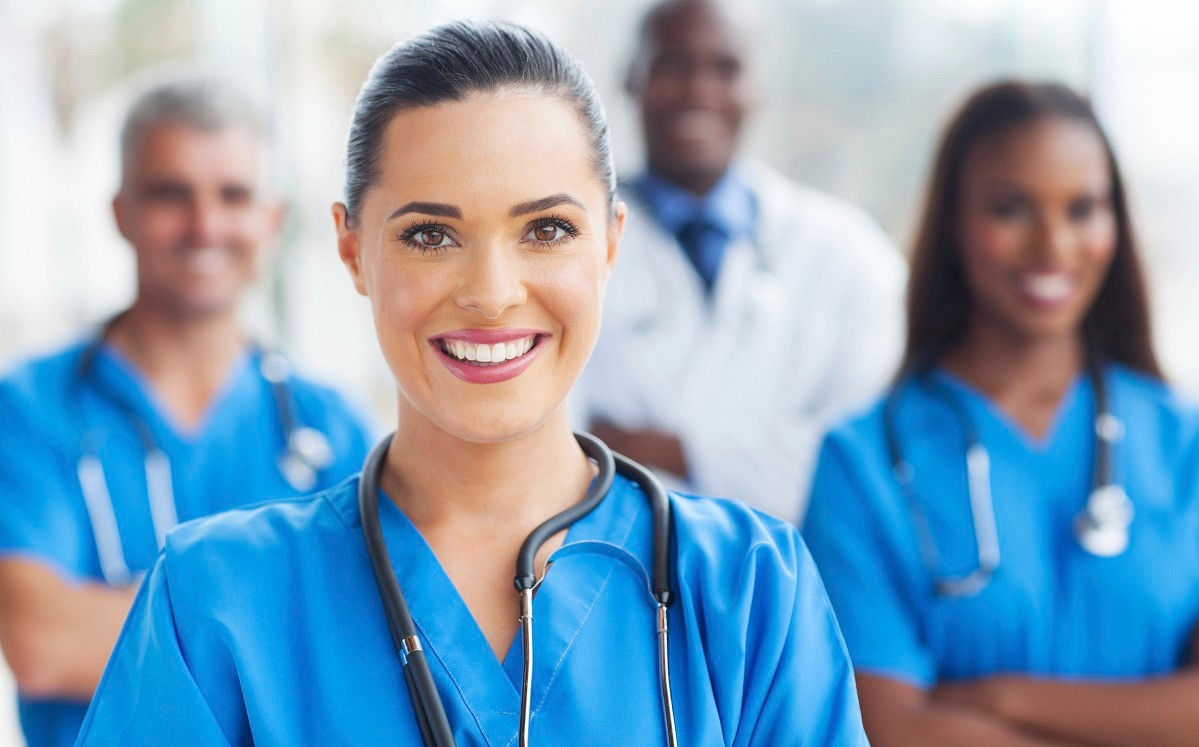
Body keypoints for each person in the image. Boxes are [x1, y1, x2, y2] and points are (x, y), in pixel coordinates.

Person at [75, 21, 867, 745]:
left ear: (611, 242)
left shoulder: (751, 591)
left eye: (547, 229)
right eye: (430, 234)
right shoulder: (214, 601)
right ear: (351, 250)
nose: (491, 292)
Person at [803, 80, 1199, 746]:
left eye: (1082, 209)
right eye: (1011, 208)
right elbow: (888, 726)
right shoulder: (861, 461)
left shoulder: (1181, 442)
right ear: (953, 220)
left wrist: (1001, 696)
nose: (1052, 243)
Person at [0, 76, 373, 746]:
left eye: (233, 195)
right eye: (171, 193)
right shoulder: (31, 407)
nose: (205, 225)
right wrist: (281, 632)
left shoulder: (330, 425)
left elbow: (364, 653)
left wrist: (146, 629)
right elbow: (41, 640)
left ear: (273, 218)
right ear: (121, 212)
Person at [577, 0, 906, 520]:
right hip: (609, 574)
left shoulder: (849, 255)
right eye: (673, 64)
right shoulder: (564, 246)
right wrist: (756, 455)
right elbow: (548, 448)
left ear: (756, 88)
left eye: (725, 68)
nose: (698, 92)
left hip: (792, 581)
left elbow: (860, 462)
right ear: (630, 78)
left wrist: (663, 449)